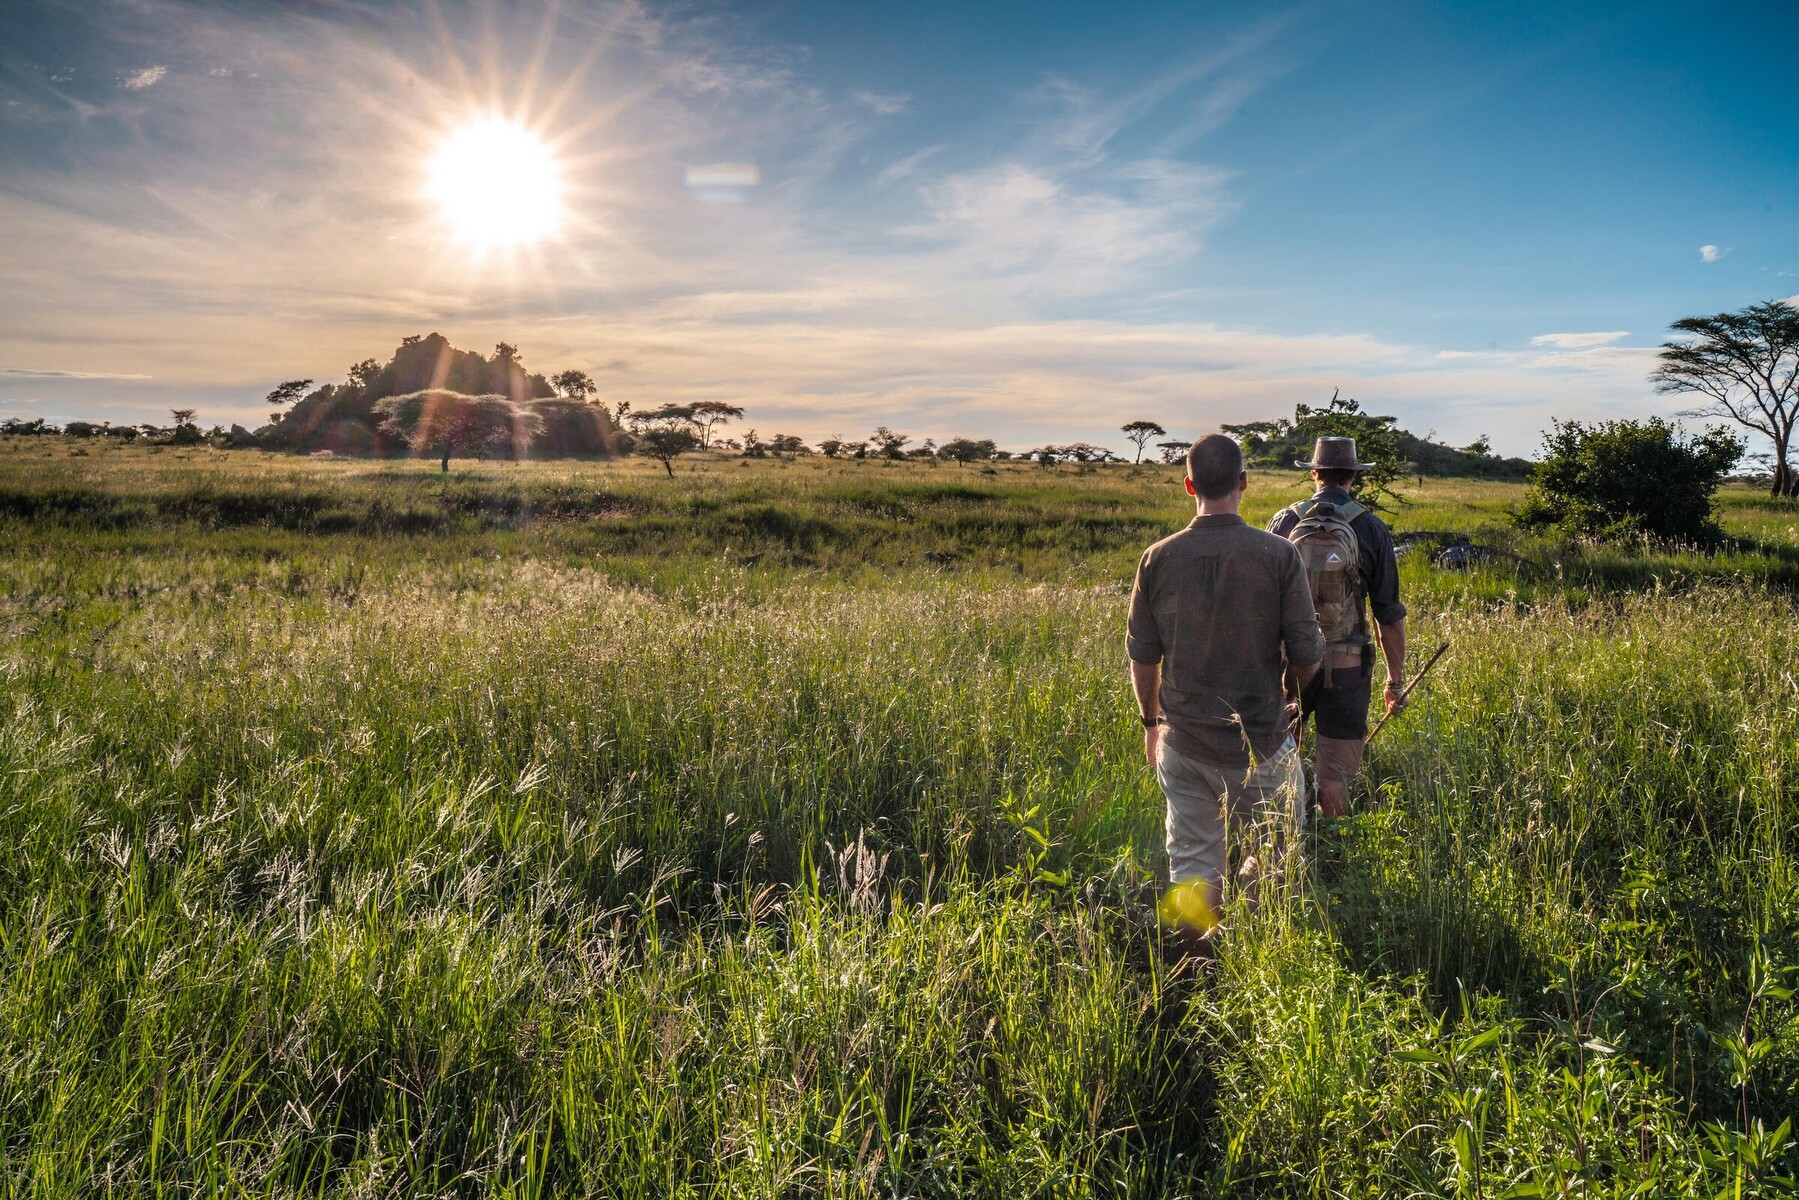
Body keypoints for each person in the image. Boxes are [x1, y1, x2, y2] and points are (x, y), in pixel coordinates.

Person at [1128, 434, 1324, 953]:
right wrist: (1294, 706)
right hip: (1261, 740)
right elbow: (1307, 653)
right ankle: (1257, 959)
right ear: (1242, 483)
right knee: (1275, 855)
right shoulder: (1279, 556)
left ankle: (1194, 967)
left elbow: (1143, 657)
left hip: (1183, 742)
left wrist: (1152, 727)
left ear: (1189, 484)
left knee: (1191, 862)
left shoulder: (1157, 559)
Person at [1267, 436, 1408, 817]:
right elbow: (1387, 616)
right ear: (1353, 476)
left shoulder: (1284, 522)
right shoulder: (1372, 528)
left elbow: (1263, 606)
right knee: (1335, 779)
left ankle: (1281, 853)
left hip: (1289, 666)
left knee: (1280, 769)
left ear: (1314, 473)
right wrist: (1395, 684)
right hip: (1348, 667)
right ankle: (1333, 856)